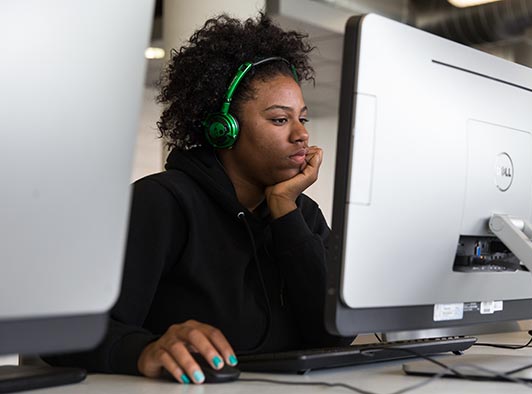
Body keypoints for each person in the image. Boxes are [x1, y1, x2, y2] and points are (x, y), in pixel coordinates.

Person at [46, 13, 350, 384]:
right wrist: (143, 349)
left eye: (303, 118)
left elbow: (333, 333)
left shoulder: (301, 215)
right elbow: (65, 334)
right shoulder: (162, 203)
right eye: (279, 120)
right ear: (224, 129)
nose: (301, 135)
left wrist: (286, 214)